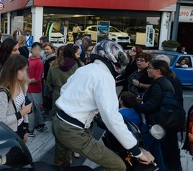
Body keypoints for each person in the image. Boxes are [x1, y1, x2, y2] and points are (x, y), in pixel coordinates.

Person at [52, 39, 154, 169]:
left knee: (61, 164)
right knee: (118, 166)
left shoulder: (85, 69)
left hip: (58, 121)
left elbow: (64, 90)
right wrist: (136, 151)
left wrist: (87, 110)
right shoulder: (105, 77)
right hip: (73, 130)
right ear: (112, 58)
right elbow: (111, 117)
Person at [134, 60, 176, 171]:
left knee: (143, 152)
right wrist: (143, 99)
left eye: (149, 68)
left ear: (157, 71)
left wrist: (134, 106)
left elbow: (151, 106)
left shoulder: (158, 84)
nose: (147, 70)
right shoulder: (165, 82)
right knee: (155, 149)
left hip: (152, 124)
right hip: (159, 124)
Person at [0, 54, 32, 142]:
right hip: (8, 131)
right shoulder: (3, 92)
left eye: (25, 70)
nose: (25, 73)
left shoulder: (22, 85)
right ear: (13, 70)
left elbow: (23, 108)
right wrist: (22, 113)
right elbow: (2, 120)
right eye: (22, 70)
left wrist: (25, 129)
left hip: (19, 127)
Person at [27, 42, 47, 137]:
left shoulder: (39, 62)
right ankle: (41, 124)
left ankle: (30, 130)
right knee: (34, 109)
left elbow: (38, 78)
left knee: (32, 109)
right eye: (36, 49)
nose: (38, 52)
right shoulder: (28, 60)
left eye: (39, 50)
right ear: (31, 49)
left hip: (35, 89)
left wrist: (26, 81)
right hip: (28, 88)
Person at [42, 42, 56, 118]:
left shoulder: (52, 58)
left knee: (48, 95)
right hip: (46, 79)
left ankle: (48, 112)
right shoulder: (46, 57)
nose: (46, 51)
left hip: (49, 80)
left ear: (52, 49)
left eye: (47, 49)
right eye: (44, 49)